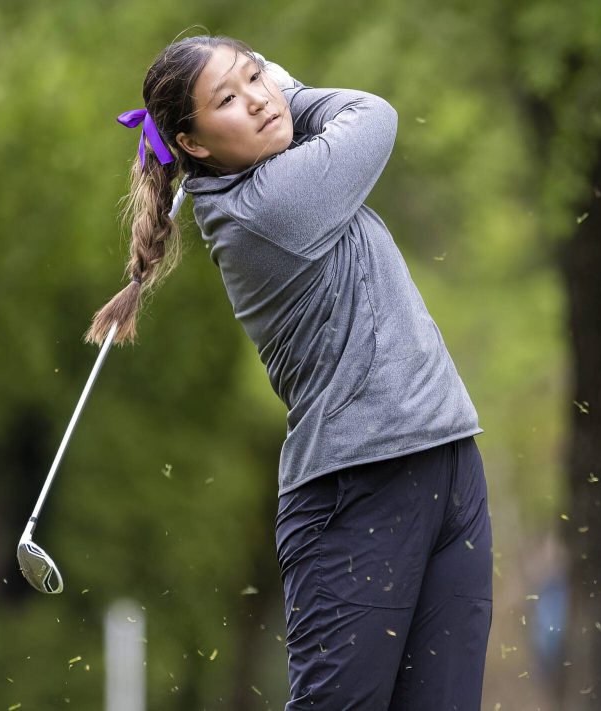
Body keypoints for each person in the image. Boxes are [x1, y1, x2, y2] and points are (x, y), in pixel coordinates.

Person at [86, 33, 493, 710]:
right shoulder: (262, 211)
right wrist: (289, 92)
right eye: (228, 99)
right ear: (192, 143)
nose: (256, 101)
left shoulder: (278, 172)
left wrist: (260, 94)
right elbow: (374, 116)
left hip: (447, 460)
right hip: (357, 491)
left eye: (255, 79)